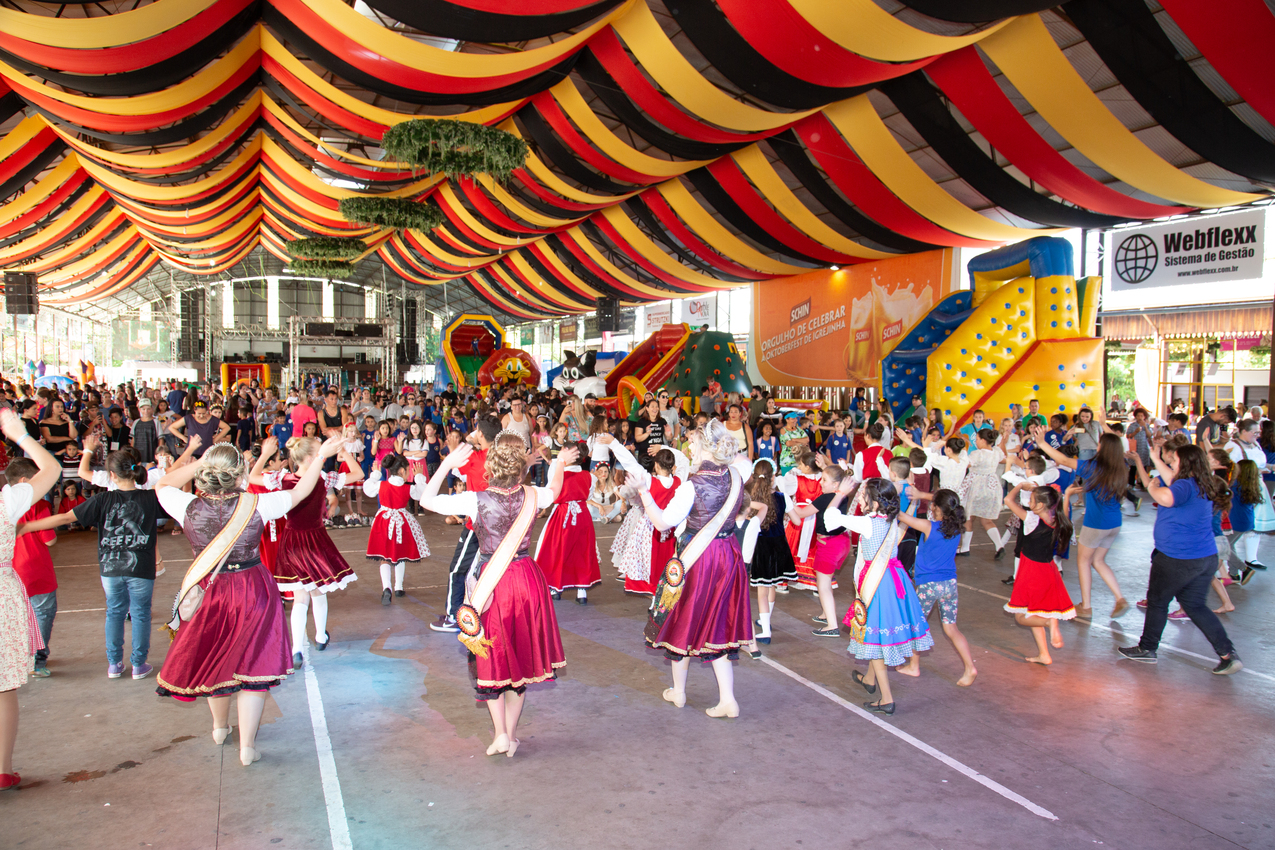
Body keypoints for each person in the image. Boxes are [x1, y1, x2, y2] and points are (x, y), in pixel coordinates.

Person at [152, 436, 343, 766]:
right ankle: (247, 746)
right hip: (252, 590)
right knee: (254, 665)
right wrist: (321, 456)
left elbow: (164, 482)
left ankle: (219, 727)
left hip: (209, 592)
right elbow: (300, 493)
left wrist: (202, 460)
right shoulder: (257, 504)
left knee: (216, 660)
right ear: (240, 475)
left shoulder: (186, 506)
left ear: (206, 473)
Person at [418, 436, 575, 757]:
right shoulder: (534, 495)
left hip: (491, 585)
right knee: (520, 658)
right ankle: (511, 735)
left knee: (489, 654)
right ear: (520, 467)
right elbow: (556, 490)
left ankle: (500, 734)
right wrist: (559, 462)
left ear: (490, 466)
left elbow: (426, 500)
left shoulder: (474, 500)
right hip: (526, 580)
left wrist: (447, 463)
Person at [642, 420, 753, 718]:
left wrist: (643, 493)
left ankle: (679, 691)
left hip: (698, 558)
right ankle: (727, 698)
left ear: (706, 447)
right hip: (728, 554)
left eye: (693, 442)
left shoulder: (693, 486)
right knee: (718, 622)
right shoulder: (736, 475)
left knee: (683, 617)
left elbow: (663, 522)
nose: (689, 446)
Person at [1120, 444, 1242, 674]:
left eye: (1174, 460)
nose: (1171, 464)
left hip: (1178, 558)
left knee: (1157, 601)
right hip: (1203, 558)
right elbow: (1170, 477)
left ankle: (1147, 649)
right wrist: (1155, 460)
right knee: (1195, 605)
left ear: (1184, 463)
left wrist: (1153, 485)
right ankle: (1228, 653)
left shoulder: (1184, 485)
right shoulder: (1202, 482)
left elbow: (1165, 498)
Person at [824, 477, 933, 715]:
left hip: (877, 584)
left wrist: (841, 494)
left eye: (863, 496)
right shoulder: (890, 519)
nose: (860, 499)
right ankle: (869, 680)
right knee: (881, 632)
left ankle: (886, 698)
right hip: (895, 581)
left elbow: (830, 519)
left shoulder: (868, 523)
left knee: (873, 640)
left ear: (874, 503)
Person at [272, 436, 363, 666]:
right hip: (314, 539)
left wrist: (264, 455)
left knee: (300, 595)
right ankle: (320, 636)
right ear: (313, 457)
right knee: (318, 591)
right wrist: (344, 450)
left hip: (292, 541)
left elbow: (253, 477)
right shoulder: (324, 478)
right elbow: (358, 474)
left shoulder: (283, 478)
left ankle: (295, 650)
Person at [1033, 423, 1128, 618]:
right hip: (1114, 523)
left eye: (1100, 444)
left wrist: (1042, 443)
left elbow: (1064, 460)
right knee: (1099, 560)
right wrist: (1103, 424)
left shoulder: (1093, 467)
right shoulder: (1122, 467)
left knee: (1083, 561)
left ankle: (1086, 606)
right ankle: (1120, 598)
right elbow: (1115, 444)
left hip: (1096, 523)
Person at [895, 489, 977, 686]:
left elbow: (900, 515)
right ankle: (969, 667)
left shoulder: (928, 526)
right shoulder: (957, 527)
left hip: (928, 585)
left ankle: (914, 666)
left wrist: (892, 496)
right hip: (949, 585)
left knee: (917, 624)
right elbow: (947, 501)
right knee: (951, 628)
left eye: (933, 504)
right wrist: (923, 496)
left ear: (936, 508)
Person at [1001, 482, 1076, 664]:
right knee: (1033, 612)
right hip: (1049, 571)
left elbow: (1008, 499)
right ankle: (1044, 654)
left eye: (1032, 500)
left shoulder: (1032, 520)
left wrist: (1019, 485)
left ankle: (1049, 623)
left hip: (1031, 572)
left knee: (1021, 617)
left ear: (1040, 505)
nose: (1029, 502)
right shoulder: (1060, 521)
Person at [608, 441, 682, 597]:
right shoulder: (678, 481)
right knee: (668, 561)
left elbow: (630, 463)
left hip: (650, 527)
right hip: (671, 527)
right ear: (672, 466)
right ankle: (664, 594)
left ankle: (653, 595)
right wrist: (664, 447)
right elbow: (683, 460)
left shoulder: (649, 480)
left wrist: (614, 444)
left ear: (655, 465)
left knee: (649, 562)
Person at [8, 459, 57, 679]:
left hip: (11, 570)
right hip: (35, 569)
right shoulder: (38, 506)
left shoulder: (4, 503)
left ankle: (19, 657)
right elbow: (49, 541)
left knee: (17, 616)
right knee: (43, 613)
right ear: (25, 482)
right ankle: (38, 659)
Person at [536, 441, 602, 603]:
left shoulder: (556, 470)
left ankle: (555, 588)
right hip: (582, 516)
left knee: (558, 550)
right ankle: (581, 592)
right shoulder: (589, 476)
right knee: (582, 551)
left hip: (563, 515)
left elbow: (552, 491)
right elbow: (588, 495)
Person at [363, 453, 430, 606]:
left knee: (384, 556)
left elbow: (368, 489)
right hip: (401, 522)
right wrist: (419, 477)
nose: (409, 473)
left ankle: (387, 587)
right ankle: (398, 587)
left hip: (383, 521)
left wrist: (375, 474)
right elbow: (423, 494)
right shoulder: (408, 487)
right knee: (399, 554)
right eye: (408, 471)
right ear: (402, 471)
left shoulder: (381, 484)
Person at [742, 459, 796, 644]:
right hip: (779, 545)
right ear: (773, 477)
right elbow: (796, 521)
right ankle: (766, 620)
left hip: (761, 546)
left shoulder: (750, 498)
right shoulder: (783, 497)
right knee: (772, 585)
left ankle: (765, 631)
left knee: (762, 591)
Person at [958, 428, 1007, 559]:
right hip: (992, 486)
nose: (976, 441)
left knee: (969, 517)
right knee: (986, 519)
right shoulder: (996, 452)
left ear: (984, 440)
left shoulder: (977, 454)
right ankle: (999, 545)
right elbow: (1004, 458)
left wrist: (962, 451)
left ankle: (965, 548)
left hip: (976, 487)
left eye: (978, 439)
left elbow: (965, 464)